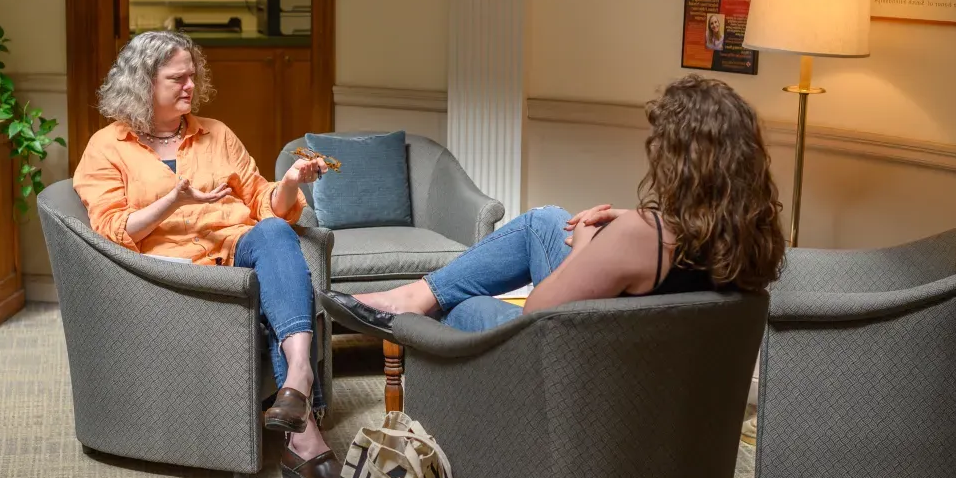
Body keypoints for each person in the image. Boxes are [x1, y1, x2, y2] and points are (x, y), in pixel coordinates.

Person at [72, 30, 340, 478]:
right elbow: (113, 230)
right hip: (175, 274)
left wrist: (292, 181)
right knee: (280, 299)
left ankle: (298, 373)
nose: (189, 87)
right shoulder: (106, 147)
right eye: (177, 78)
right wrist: (174, 199)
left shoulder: (216, 132)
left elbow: (264, 203)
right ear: (142, 83)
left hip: (236, 249)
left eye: (192, 76)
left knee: (276, 232)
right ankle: (306, 437)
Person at [319, 75, 786, 337]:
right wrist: (629, 219)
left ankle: (411, 306)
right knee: (545, 221)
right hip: (654, 363)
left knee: (463, 308)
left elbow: (538, 312)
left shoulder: (643, 237)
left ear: (682, 163)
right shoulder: (753, 235)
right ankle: (414, 294)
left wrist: (587, 246)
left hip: (583, 361)